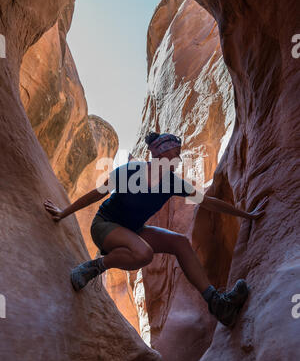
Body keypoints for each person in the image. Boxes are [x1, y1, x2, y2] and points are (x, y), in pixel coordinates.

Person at [44, 131, 268, 328]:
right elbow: (97, 193)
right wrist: (64, 212)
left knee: (180, 242)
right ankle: (93, 267)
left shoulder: (172, 182)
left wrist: (246, 214)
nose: (179, 159)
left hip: (134, 230)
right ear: (161, 155)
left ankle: (217, 303)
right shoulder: (130, 172)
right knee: (144, 253)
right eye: (175, 154)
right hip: (105, 225)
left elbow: (208, 202)